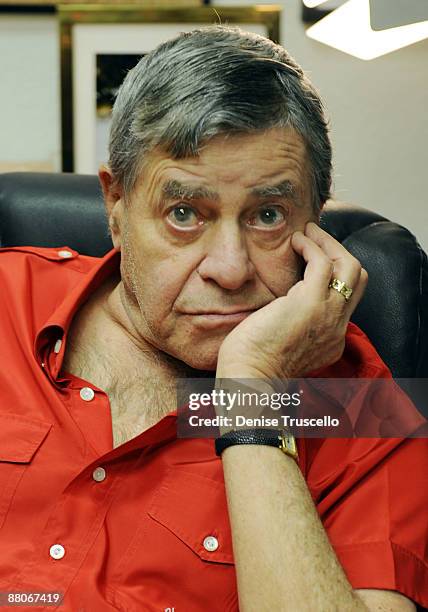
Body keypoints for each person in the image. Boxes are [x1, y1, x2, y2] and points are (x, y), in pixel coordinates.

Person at [0, 25, 426, 611]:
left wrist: (251, 389)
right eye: (183, 212)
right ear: (116, 207)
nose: (229, 270)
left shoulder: (367, 415)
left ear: (316, 223)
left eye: (269, 215)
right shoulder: (6, 299)